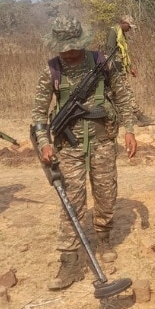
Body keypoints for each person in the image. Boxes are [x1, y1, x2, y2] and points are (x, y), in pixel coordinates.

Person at [31, 16, 138, 291]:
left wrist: (129, 129)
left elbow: (123, 96)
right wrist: (44, 142)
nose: (70, 52)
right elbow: (38, 115)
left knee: (105, 194)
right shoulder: (52, 70)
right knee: (71, 203)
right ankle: (69, 263)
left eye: (74, 46)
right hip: (68, 149)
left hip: (103, 142)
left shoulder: (102, 62)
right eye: (64, 47)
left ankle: (103, 238)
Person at [113, 13, 154, 126]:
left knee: (120, 94)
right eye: (129, 26)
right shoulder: (113, 33)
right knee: (126, 92)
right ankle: (138, 116)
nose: (130, 29)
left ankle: (123, 118)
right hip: (114, 70)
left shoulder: (121, 34)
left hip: (120, 68)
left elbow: (123, 54)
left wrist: (129, 68)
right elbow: (109, 53)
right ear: (123, 23)